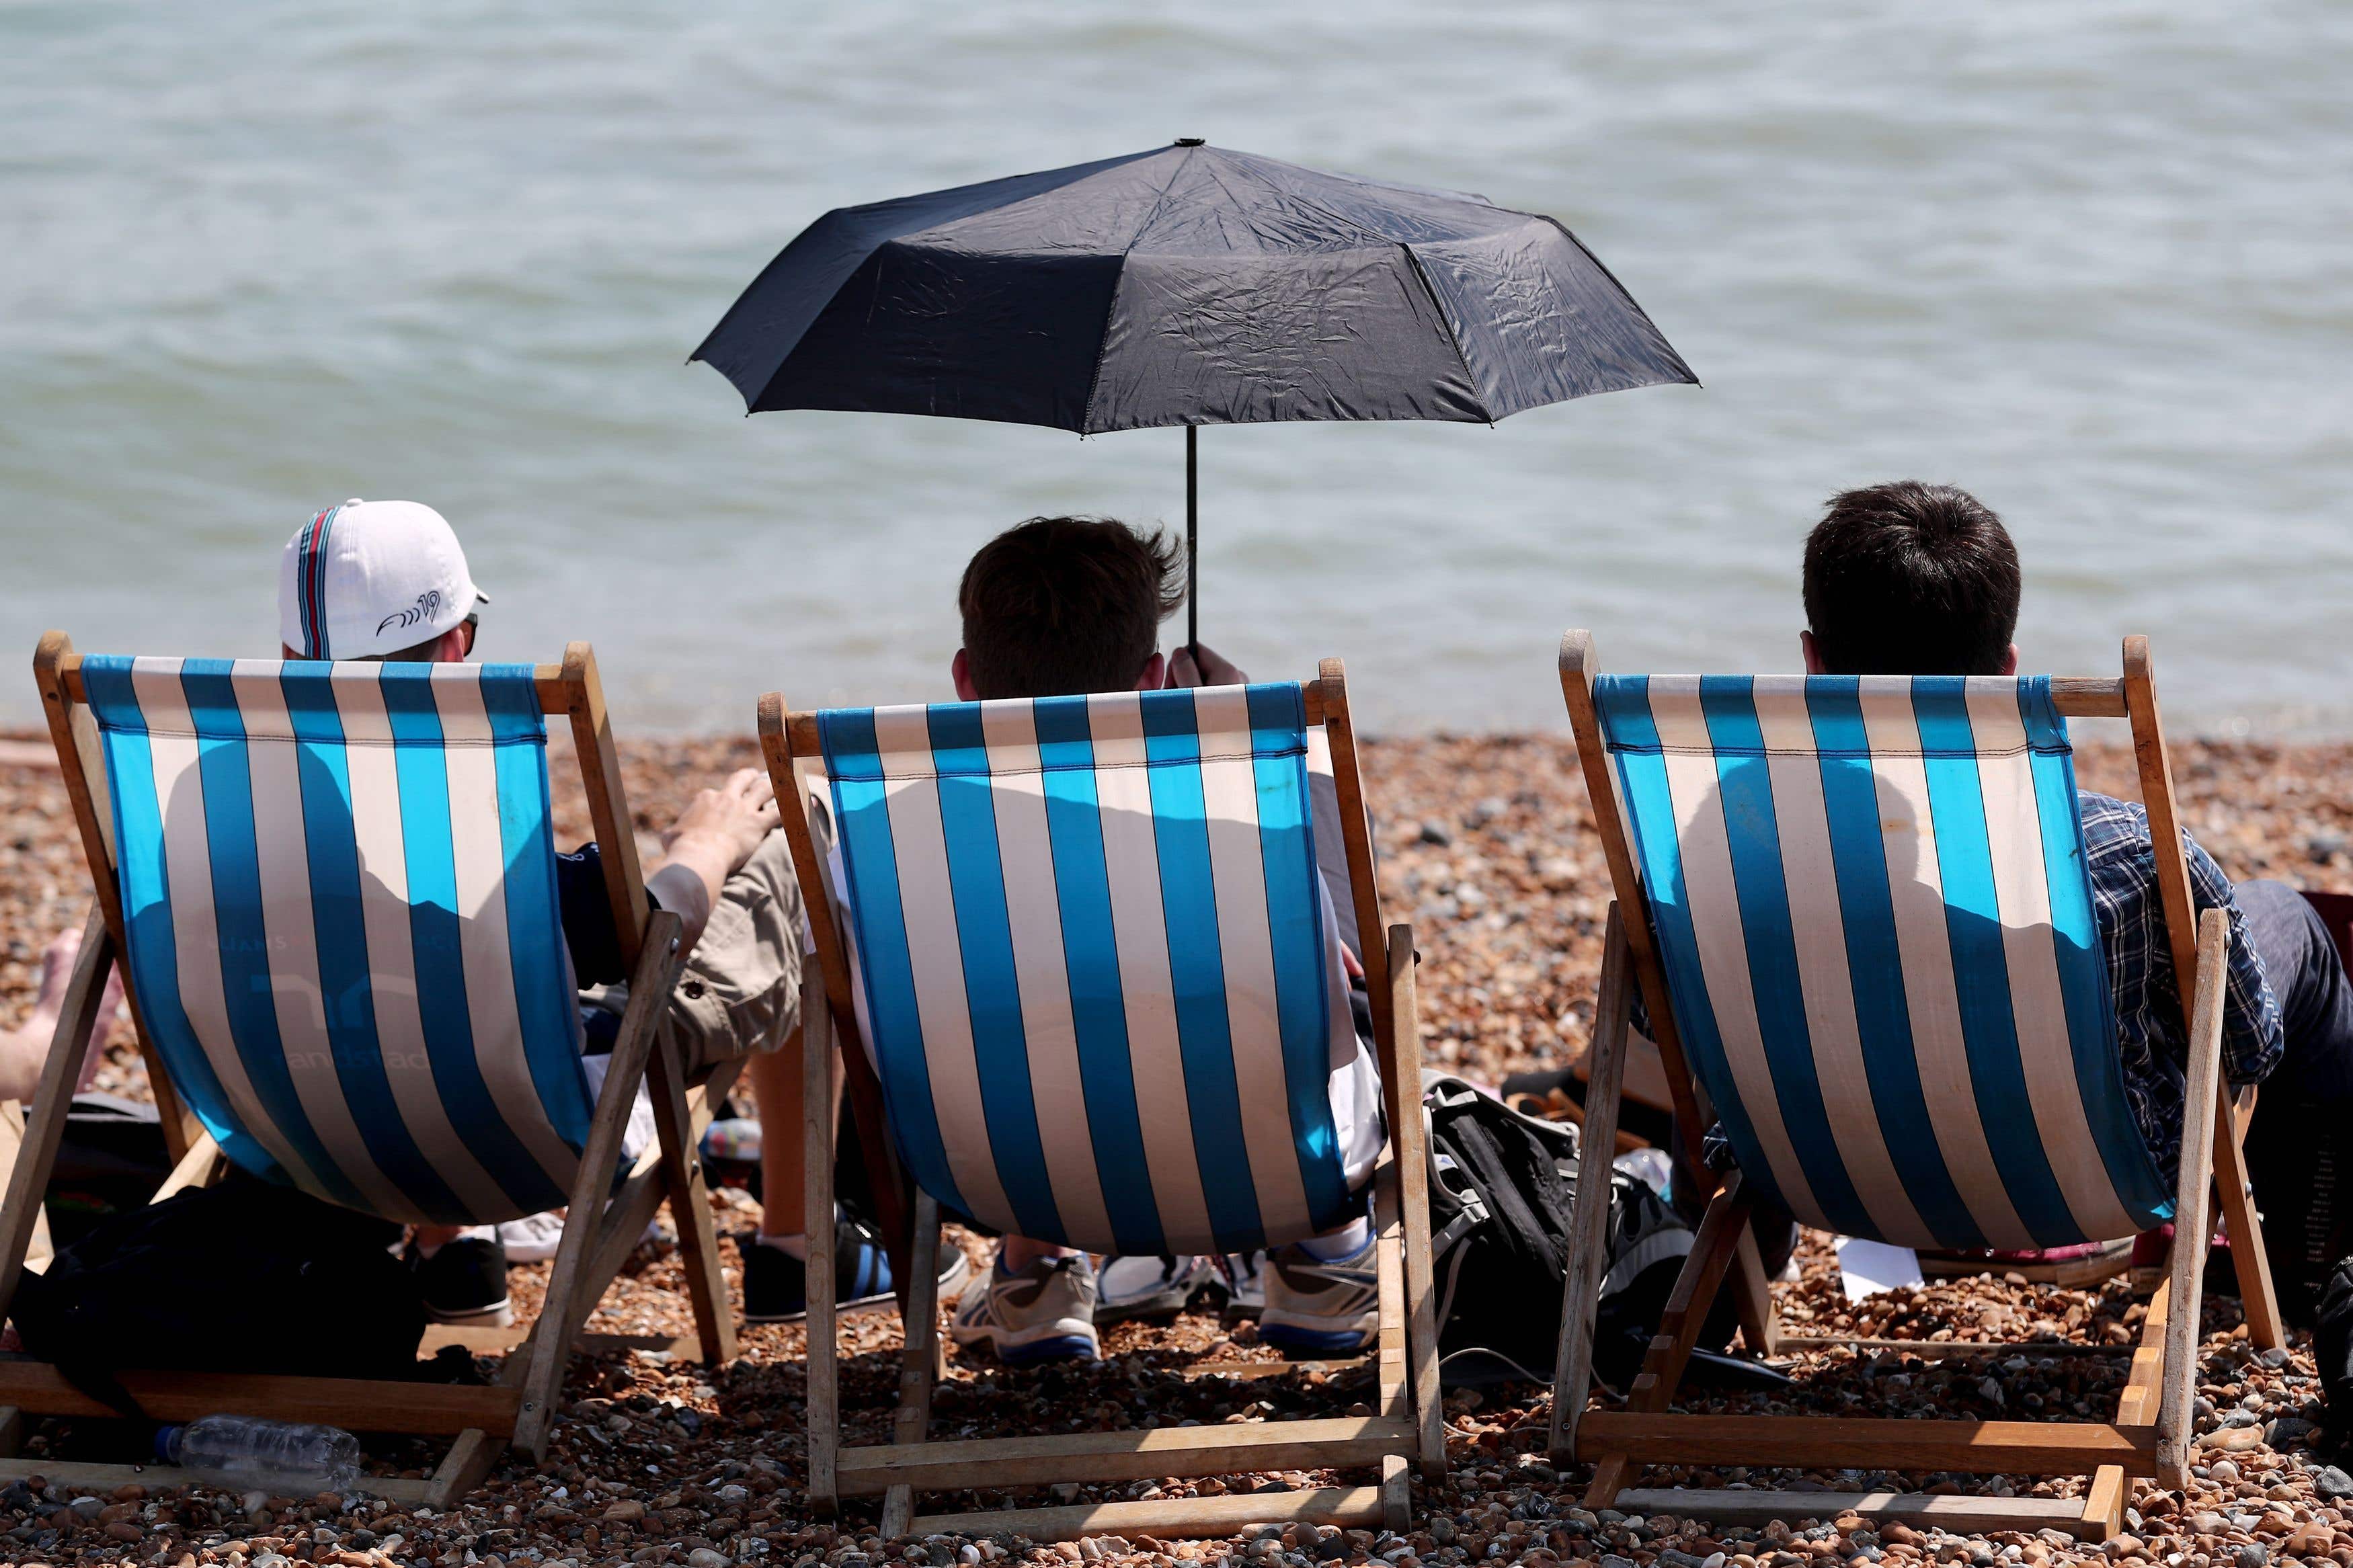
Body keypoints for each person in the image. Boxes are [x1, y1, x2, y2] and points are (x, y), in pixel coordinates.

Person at [273, 499, 945, 1326]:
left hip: (304, 1139)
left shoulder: (208, 804)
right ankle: (801, 1246)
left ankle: (455, 1251)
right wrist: (705, 843)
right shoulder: (450, 809)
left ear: (286, 655)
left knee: (400, 997)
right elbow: (641, 938)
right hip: (521, 1141)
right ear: (455, 646)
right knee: (787, 826)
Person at [826, 514, 1387, 1364]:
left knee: (1017, 1017)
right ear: (1155, 676)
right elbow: (1344, 985)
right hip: (1271, 1174)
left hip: (986, 1173)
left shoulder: (891, 835)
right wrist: (1236, 731)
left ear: (963, 676)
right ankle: (1323, 1263)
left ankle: (1035, 1269)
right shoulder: (1256, 809)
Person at [1797, 482, 2353, 1302]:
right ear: (2005, 672)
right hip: (2088, 1184)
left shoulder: (1721, 854)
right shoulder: (2118, 854)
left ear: (1810, 659)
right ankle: (2303, 1278)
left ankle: (1710, 1298)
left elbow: (1662, 1028)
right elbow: (2249, 1046)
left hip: (1822, 1178)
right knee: (2291, 924)